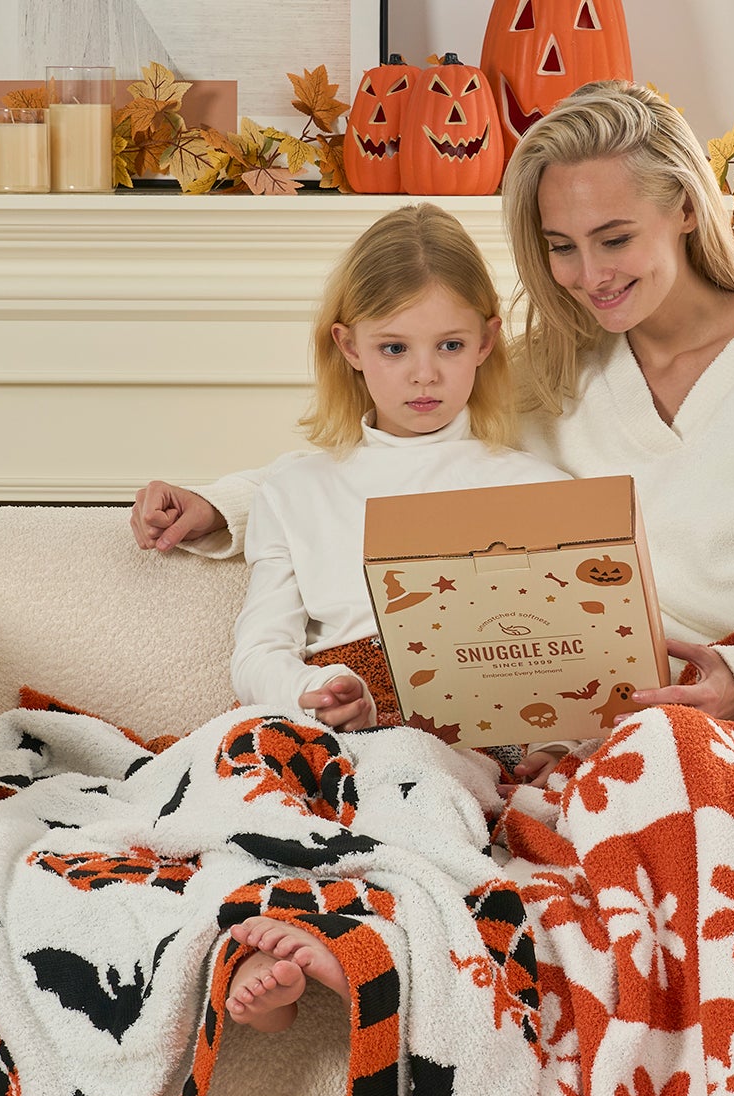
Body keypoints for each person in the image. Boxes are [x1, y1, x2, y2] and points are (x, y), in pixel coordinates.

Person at [130, 81, 734, 782]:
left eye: (615, 239)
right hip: (606, 714)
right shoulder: (547, 371)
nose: (591, 275)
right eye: (561, 248)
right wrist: (220, 505)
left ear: (687, 206)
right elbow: (395, 453)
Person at [218, 202, 567, 1031]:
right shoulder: (294, 490)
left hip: (459, 734)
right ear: (348, 349)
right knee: (242, 772)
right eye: (395, 349)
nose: (424, 375)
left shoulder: (531, 484)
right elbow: (256, 654)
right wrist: (315, 687)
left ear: (486, 342)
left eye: (449, 347)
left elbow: (563, 646)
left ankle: (353, 944)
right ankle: (274, 939)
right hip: (333, 725)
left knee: (416, 781)